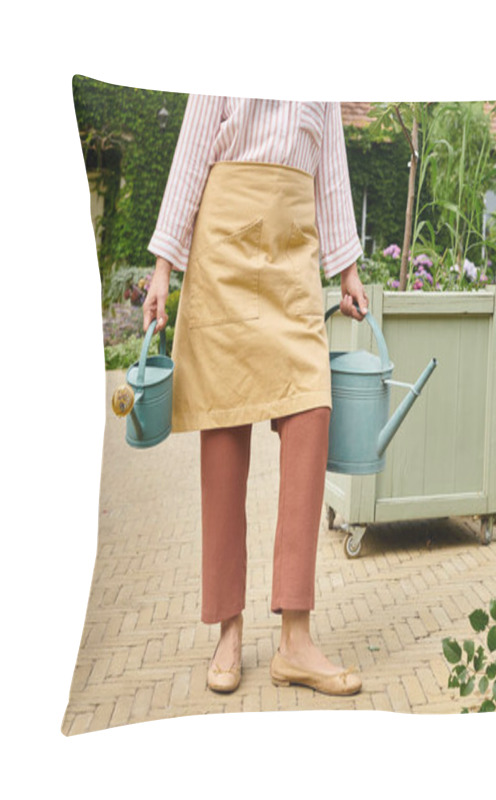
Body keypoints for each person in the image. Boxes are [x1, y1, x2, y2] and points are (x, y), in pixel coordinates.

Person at [142, 95, 369, 696]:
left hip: (293, 250)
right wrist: (164, 268)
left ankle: (296, 639)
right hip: (223, 248)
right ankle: (228, 630)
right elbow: (192, 153)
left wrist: (346, 269)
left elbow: (333, 171)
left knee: (312, 407)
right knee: (224, 424)